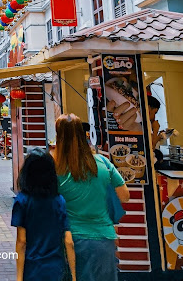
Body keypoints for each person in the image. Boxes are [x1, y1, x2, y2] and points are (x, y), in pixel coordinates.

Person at [54, 113, 130, 281]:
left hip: (71, 242)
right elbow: (125, 196)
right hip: (104, 239)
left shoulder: (56, 170)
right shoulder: (103, 163)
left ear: (59, 137)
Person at [12, 148, 76, 281]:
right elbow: (68, 240)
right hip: (56, 269)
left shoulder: (22, 201)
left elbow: (21, 242)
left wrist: (19, 277)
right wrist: (74, 276)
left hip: (33, 269)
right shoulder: (59, 201)